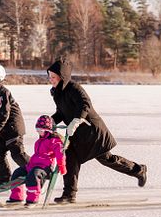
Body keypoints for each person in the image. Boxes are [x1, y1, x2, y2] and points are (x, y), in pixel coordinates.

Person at [47, 57, 147, 204]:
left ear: (62, 77)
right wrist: (52, 121)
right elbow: (62, 112)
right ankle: (69, 194)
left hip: (92, 132)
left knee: (107, 159)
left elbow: (85, 105)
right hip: (76, 135)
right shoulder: (57, 93)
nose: (51, 80)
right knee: (70, 158)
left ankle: (138, 170)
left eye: (53, 77)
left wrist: (76, 120)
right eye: (49, 77)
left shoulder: (75, 88)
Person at [0, 63, 29, 187]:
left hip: (13, 129)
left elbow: (4, 114)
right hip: (3, 130)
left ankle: (37, 170)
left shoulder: (2, 92)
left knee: (17, 154)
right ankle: (4, 181)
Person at [6, 115, 66, 208]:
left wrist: (62, 166)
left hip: (45, 168)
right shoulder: (40, 141)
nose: (39, 132)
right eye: (37, 130)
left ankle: (32, 199)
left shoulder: (54, 141)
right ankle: (16, 197)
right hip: (33, 166)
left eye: (41, 130)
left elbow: (60, 154)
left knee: (33, 175)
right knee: (17, 173)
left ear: (48, 130)